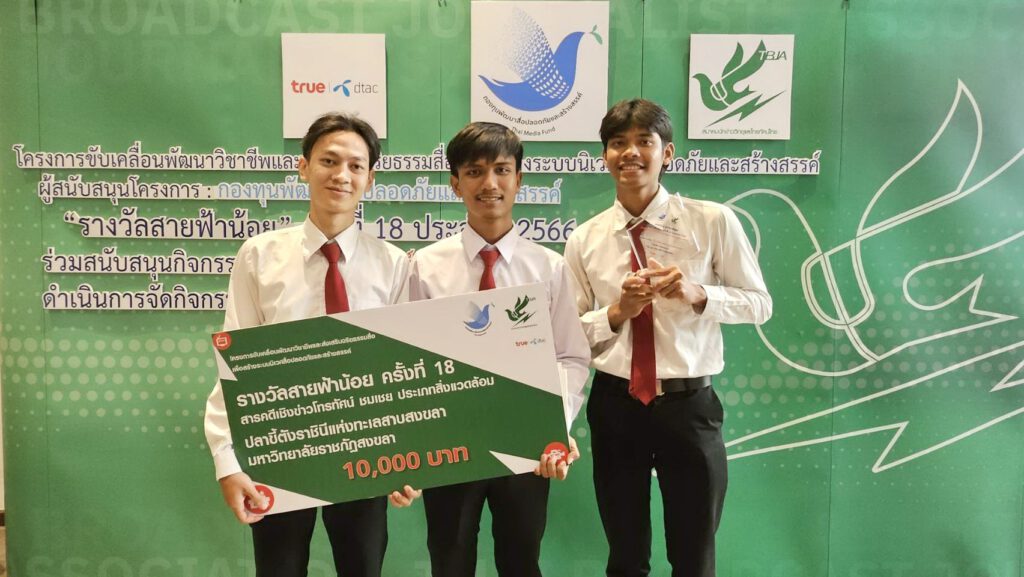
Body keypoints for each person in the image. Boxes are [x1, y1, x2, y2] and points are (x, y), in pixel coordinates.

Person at [563, 99, 772, 577]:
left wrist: (699, 294)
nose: (630, 153)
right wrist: (618, 312)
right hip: (616, 406)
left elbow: (759, 303)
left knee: (694, 555)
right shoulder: (585, 239)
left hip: (688, 406)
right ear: (605, 156)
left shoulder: (712, 221)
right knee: (625, 555)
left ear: (668, 153)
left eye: (644, 141)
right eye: (618, 143)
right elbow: (569, 335)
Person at [203, 112, 418, 577]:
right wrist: (227, 460)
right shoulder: (259, 256)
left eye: (356, 166)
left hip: (365, 449)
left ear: (370, 179)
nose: (342, 175)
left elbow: (403, 371)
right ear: (303, 167)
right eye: (329, 161)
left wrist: (408, 458)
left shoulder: (394, 265)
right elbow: (234, 366)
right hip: (279, 446)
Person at [404, 122, 591, 577]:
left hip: (525, 444)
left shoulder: (548, 267)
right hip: (450, 447)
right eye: (474, 171)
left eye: (502, 170)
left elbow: (570, 355)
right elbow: (409, 362)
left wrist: (553, 423)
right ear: (456, 184)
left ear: (519, 179)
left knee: (521, 561)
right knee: (449, 562)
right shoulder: (424, 267)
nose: (490, 183)